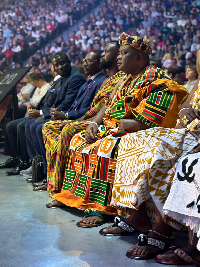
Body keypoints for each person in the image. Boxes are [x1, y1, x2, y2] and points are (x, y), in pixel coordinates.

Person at [47, 33, 188, 229]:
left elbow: (148, 121)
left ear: (139, 56)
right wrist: (94, 125)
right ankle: (75, 198)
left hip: (135, 132)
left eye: (124, 53)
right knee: (78, 139)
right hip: (112, 127)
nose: (118, 58)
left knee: (104, 147)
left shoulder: (157, 79)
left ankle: (102, 208)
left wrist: (116, 126)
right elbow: (106, 107)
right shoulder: (123, 79)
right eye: (119, 53)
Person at [100, 71, 200, 261]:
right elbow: (185, 107)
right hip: (188, 131)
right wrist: (185, 112)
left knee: (163, 150)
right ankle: (136, 215)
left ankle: (162, 230)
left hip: (197, 136)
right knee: (133, 140)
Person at [38, 42, 121, 196]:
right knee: (48, 127)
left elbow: (102, 108)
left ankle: (58, 185)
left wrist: (77, 120)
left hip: (101, 121)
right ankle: (53, 176)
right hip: (89, 117)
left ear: (117, 55)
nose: (102, 55)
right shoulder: (108, 80)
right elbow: (96, 107)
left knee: (67, 128)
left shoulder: (117, 79)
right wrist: (79, 118)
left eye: (105, 52)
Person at [31, 50, 107, 190]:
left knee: (44, 127)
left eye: (89, 61)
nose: (84, 63)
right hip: (75, 116)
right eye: (84, 60)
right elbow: (74, 104)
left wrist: (66, 116)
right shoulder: (88, 81)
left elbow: (92, 109)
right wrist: (59, 114)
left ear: (99, 63)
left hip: (84, 119)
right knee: (40, 126)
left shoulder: (102, 81)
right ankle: (49, 175)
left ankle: (58, 178)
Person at [19, 51, 86, 178]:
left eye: (63, 63)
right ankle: (34, 163)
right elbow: (55, 102)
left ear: (69, 62)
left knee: (34, 126)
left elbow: (66, 104)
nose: (60, 67)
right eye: (57, 65)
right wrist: (39, 110)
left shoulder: (75, 77)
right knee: (23, 125)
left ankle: (45, 169)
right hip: (57, 113)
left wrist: (43, 114)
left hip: (69, 115)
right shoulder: (63, 78)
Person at [0, 73, 50, 174]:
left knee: (22, 126)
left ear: (40, 80)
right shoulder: (38, 88)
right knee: (10, 125)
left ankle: (25, 161)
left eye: (35, 83)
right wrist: (31, 105)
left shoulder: (47, 87)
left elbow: (41, 103)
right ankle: (14, 157)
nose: (34, 85)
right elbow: (33, 100)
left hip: (39, 113)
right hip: (32, 112)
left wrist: (33, 106)